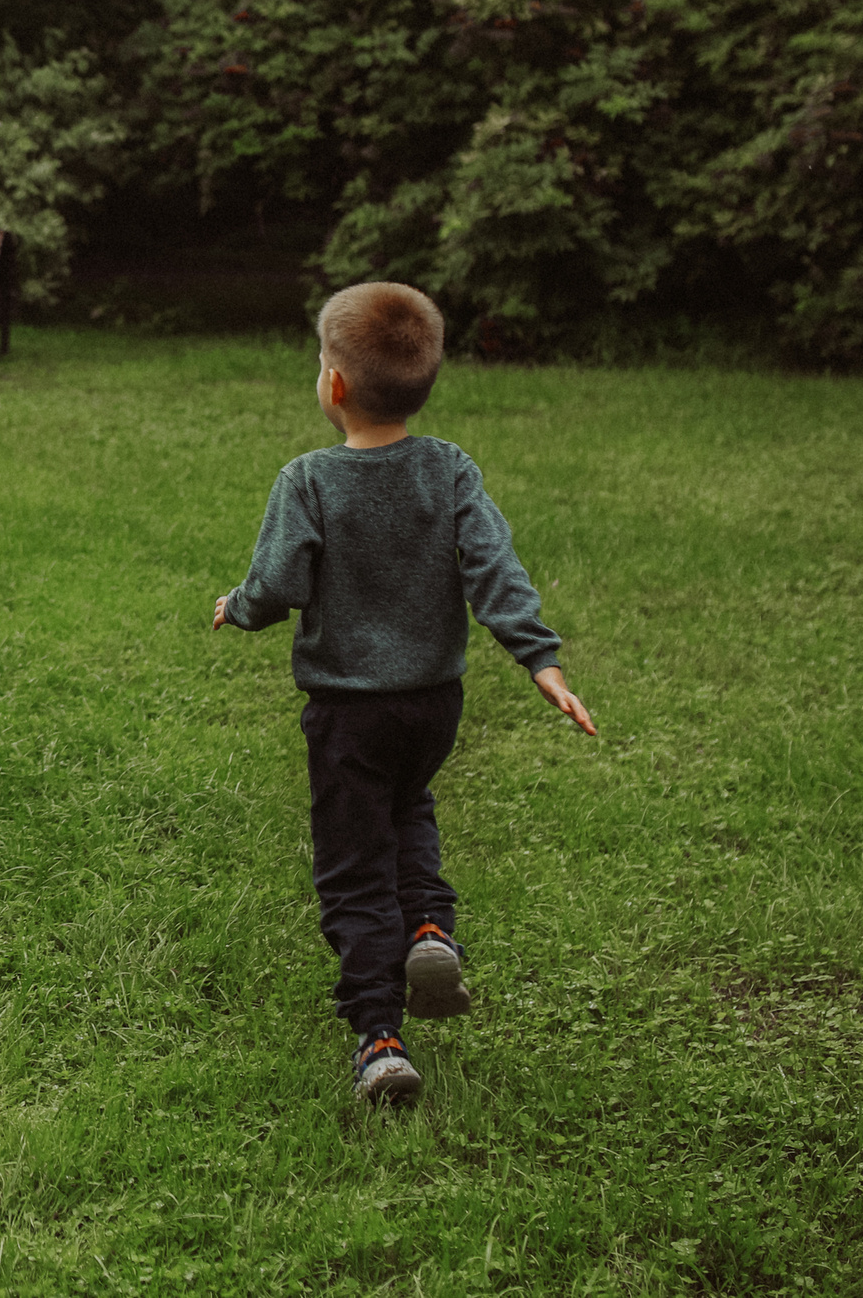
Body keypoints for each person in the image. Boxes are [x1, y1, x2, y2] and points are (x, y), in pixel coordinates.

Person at [213, 281, 597, 1107]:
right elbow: (494, 567)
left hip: (350, 711)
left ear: (335, 385)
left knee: (352, 865)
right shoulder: (448, 468)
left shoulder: (310, 480)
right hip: (432, 706)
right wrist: (541, 659)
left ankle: (379, 1037)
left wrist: (236, 607)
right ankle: (429, 928)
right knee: (409, 806)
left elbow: (277, 582)